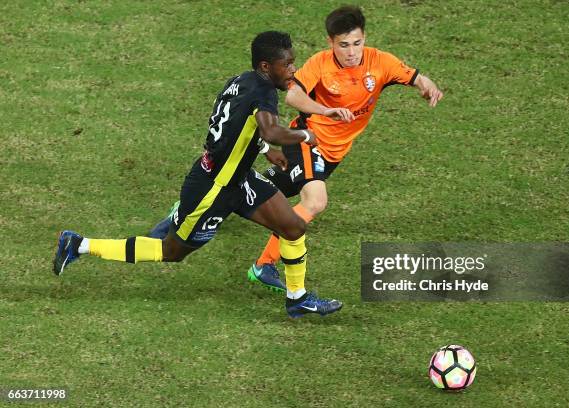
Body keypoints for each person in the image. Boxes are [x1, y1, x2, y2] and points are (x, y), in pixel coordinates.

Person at [53, 31, 348, 318]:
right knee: (172, 251)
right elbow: (270, 128)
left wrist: (264, 150)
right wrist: (305, 136)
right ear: (266, 67)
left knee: (293, 227)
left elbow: (235, 127)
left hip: (239, 178)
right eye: (287, 65)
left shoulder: (240, 82)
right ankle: (79, 244)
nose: (293, 71)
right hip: (213, 188)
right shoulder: (265, 92)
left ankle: (297, 299)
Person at [149, 5, 444, 292]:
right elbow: (292, 96)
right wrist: (325, 111)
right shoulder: (320, 64)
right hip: (307, 141)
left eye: (357, 43)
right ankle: (264, 266)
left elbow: (415, 76)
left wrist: (427, 86)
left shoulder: (381, 62)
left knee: (254, 189)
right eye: (343, 45)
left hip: (333, 154)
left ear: (364, 38)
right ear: (331, 43)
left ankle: (186, 210)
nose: (351, 51)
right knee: (315, 201)